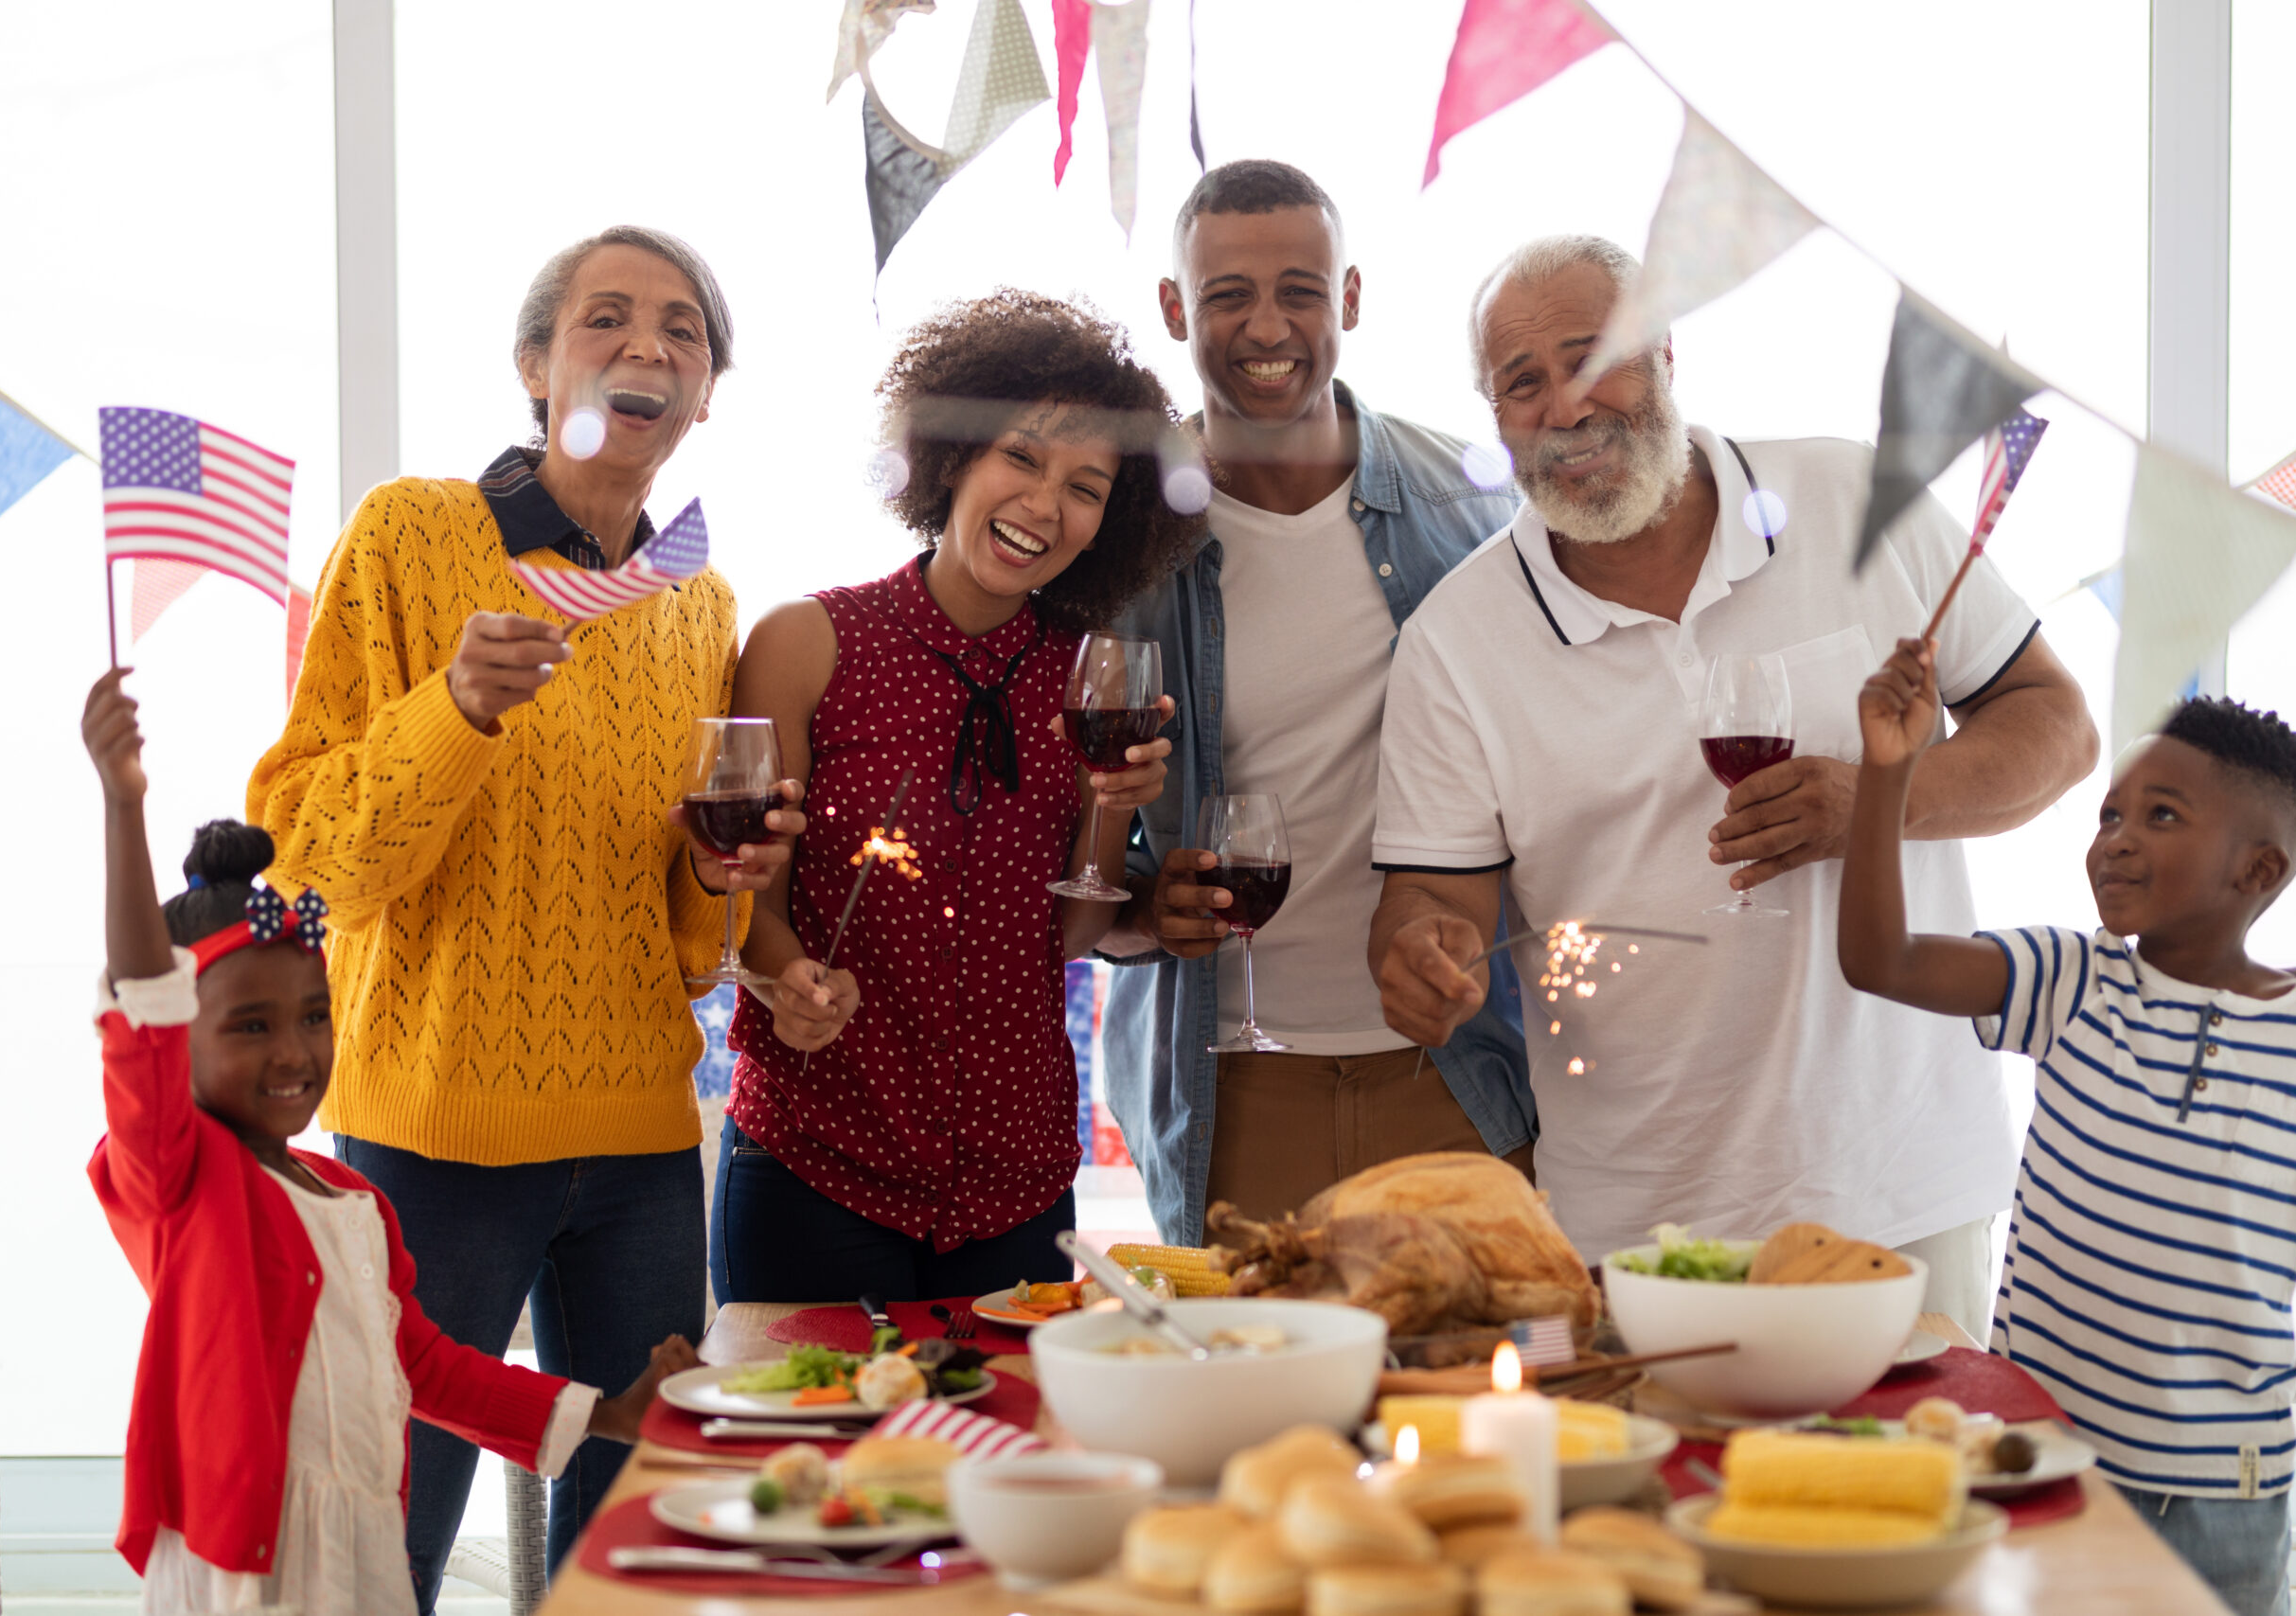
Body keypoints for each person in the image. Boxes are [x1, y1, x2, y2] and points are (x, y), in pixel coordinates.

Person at [1369, 235, 2099, 1341]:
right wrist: (1421, 956)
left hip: (1896, 1188)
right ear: (1495, 413)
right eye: (1523, 381)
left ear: (1665, 352)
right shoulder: (1455, 641)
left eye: (1593, 356)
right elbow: (1433, 904)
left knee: (1906, 1507)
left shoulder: (1853, 497)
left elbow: (2058, 729)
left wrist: (1874, 803)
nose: (1565, 405)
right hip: (1637, 1225)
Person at [245, 226, 796, 1593]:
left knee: (641, 1559)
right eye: (605, 317)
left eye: (683, 329)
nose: (646, 344)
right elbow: (315, 863)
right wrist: (453, 708)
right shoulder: (409, 533)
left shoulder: (696, 600)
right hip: (428, 1148)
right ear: (536, 366)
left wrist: (719, 877)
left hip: (644, 1160)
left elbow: (680, 947)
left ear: (708, 392)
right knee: (386, 1550)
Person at [80, 668, 692, 1615]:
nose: (294, 1052)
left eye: (314, 1018)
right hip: (250, 1562)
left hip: (364, 1548)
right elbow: (139, 1012)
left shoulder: (353, 1204)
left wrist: (606, 1412)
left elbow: (430, 1369)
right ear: (179, 1040)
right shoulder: (181, 1180)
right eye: (250, 1027)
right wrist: (125, 809)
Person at [713, 290, 1200, 1303]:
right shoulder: (806, 642)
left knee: (999, 1462)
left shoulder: (1087, 677)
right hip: (818, 1163)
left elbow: (1063, 939)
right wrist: (782, 977)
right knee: (812, 1459)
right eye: (1020, 457)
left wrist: (1111, 806)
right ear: (953, 456)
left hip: (1015, 1187)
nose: (1042, 504)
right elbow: (739, 895)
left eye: (1085, 486)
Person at [1842, 647, 2296, 1616]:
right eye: (2108, 814)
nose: (2112, 838)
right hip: (2038, 1456)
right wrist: (1884, 773)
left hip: (2222, 1502)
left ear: (2259, 866)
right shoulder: (2068, 980)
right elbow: (1879, 957)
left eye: (2159, 815)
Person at [1097, 159, 1534, 1247]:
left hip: (1460, 1072)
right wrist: (1150, 916)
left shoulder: (1480, 507)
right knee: (1252, 1405)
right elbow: (1056, 843)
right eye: (1226, 295)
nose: (1266, 327)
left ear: (1348, 299)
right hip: (1231, 1087)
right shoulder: (1113, 546)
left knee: (1492, 1398)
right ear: (1171, 310)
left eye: (1299, 289)